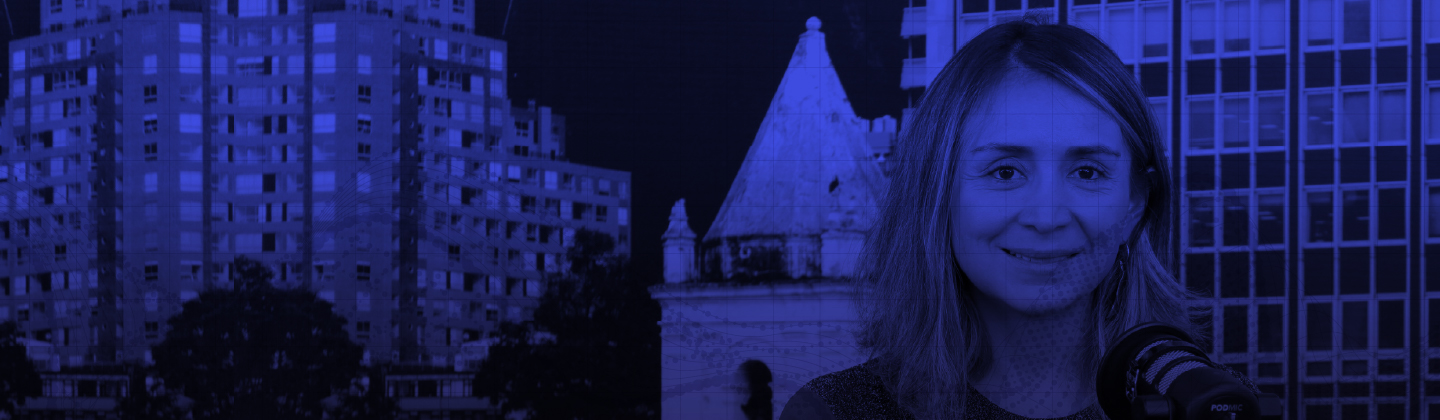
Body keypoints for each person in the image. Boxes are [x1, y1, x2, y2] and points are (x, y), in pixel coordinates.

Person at [779, 13, 1255, 420]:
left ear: (1134, 204)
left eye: (1087, 172)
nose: (1047, 218)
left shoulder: (1214, 406)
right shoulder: (834, 412)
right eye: (1005, 171)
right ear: (938, 194)